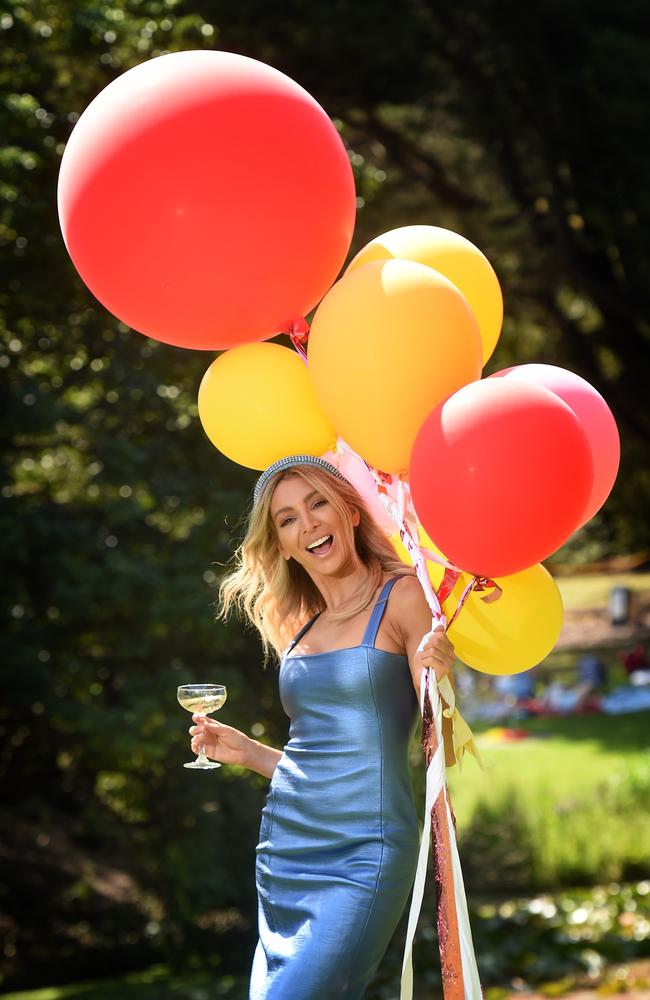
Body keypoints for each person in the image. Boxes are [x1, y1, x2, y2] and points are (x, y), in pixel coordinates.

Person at [189, 455, 455, 999]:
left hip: (368, 848)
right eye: (286, 519)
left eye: (317, 503)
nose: (307, 524)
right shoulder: (297, 625)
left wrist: (440, 682)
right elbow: (319, 756)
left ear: (350, 513)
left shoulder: (403, 599)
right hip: (288, 847)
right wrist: (251, 754)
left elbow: (440, 744)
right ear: (281, 544)